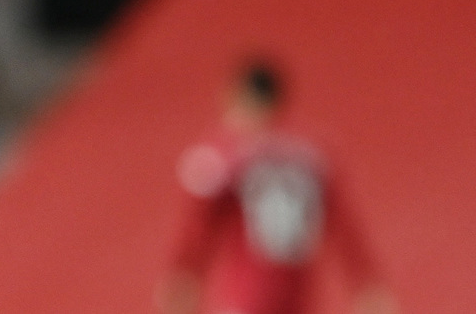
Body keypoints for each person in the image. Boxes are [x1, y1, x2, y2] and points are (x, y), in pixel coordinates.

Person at [156, 60, 396, 314]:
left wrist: (183, 273)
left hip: (246, 296)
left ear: (237, 97)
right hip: (297, 300)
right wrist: (365, 281)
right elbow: (344, 225)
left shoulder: (225, 157)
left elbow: (199, 225)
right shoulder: (311, 155)